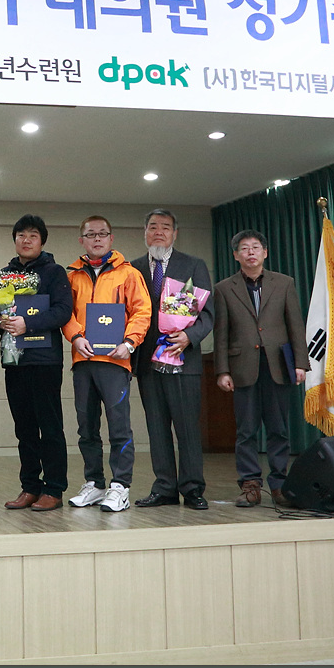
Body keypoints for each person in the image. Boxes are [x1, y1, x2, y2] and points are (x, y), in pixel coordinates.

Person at [213, 229, 309, 508]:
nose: (250, 252)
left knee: (278, 429)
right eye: (244, 248)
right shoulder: (224, 288)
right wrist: (222, 370)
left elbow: (295, 325)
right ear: (236, 255)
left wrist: (300, 363)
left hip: (278, 365)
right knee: (246, 431)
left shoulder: (284, 283)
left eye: (255, 247)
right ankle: (250, 485)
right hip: (242, 367)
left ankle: (279, 484)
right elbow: (221, 333)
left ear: (265, 253)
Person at [62, 215, 151, 513]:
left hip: (115, 361)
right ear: (82, 240)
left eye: (102, 234)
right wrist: (75, 337)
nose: (97, 239)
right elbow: (65, 312)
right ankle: (95, 483)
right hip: (83, 360)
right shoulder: (73, 276)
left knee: (119, 427)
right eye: (91, 234)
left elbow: (142, 311)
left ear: (111, 238)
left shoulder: (129, 273)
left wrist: (130, 343)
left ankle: (120, 486)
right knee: (86, 427)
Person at [130, 209, 214, 510]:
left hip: (183, 359)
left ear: (175, 234)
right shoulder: (133, 268)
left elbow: (207, 314)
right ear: (144, 232)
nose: (159, 232)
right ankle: (164, 487)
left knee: (187, 428)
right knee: (156, 427)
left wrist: (189, 337)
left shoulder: (193, 265)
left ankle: (192, 489)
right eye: (152, 227)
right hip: (147, 362)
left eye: (165, 227)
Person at [0, 215, 73, 512]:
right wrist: (1, 322)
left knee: (49, 427)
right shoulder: (4, 275)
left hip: (45, 360)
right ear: (14, 239)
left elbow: (63, 311)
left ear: (42, 241)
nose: (26, 240)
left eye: (33, 235)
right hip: (14, 361)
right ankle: (30, 487)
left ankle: (54, 488)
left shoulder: (54, 272)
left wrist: (28, 323)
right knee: (24, 428)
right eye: (21, 235)